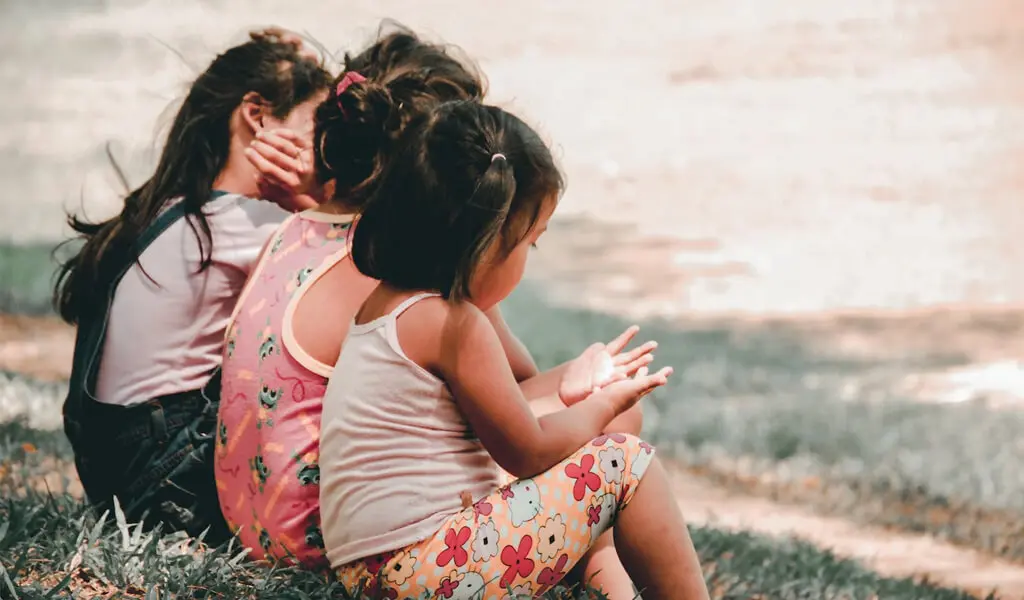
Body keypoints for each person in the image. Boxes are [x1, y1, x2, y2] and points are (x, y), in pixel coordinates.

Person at [221, 26, 653, 594]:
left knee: (593, 420)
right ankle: (606, 584)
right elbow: (512, 417)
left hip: (259, 522)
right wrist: (594, 402)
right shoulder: (401, 269)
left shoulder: (297, 230)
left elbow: (504, 387)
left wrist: (575, 383)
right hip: (331, 540)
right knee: (616, 427)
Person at [319, 100, 711, 599]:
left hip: (376, 573)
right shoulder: (454, 324)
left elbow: (509, 409)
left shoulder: (390, 305)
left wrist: (576, 386)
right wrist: (603, 404)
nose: (528, 258)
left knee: (602, 446)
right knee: (624, 464)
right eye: (530, 243)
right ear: (485, 243)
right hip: (426, 570)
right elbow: (528, 450)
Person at [52, 29, 331, 543]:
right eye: (316, 126)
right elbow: (363, 275)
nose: (323, 149)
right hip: (170, 486)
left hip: (120, 476)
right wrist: (313, 200)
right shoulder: (248, 224)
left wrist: (298, 67)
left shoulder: (171, 209)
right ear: (257, 115)